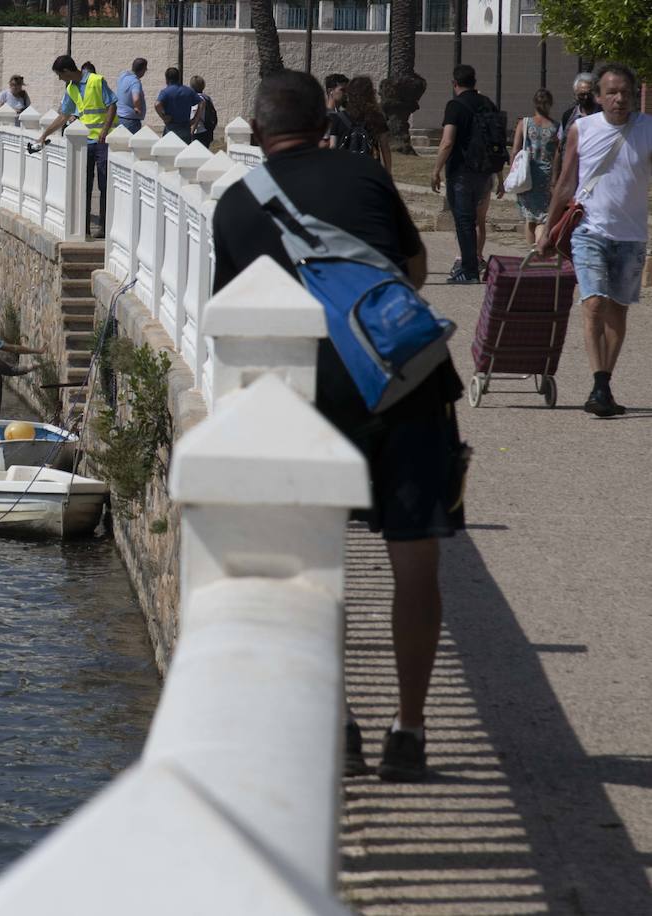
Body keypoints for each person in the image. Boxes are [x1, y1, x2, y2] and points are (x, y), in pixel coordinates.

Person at [211, 70, 467, 783]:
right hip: (407, 381)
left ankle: (342, 726)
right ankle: (409, 732)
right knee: (415, 557)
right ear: (323, 127)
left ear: (257, 134)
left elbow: (228, 325)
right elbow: (414, 270)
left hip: (310, 400)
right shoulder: (363, 174)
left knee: (318, 565)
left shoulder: (236, 205)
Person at [538, 63, 652, 417]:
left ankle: (603, 385)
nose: (619, 99)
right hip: (590, 230)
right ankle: (599, 382)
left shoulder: (648, 129)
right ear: (599, 97)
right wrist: (547, 227)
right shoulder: (582, 129)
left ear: (634, 96)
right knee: (594, 304)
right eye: (612, 92)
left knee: (617, 310)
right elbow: (567, 182)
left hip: (631, 235)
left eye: (625, 93)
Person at [430, 64, 504, 284]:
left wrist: (436, 171)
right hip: (484, 171)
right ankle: (473, 264)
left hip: (461, 171)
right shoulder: (488, 103)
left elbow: (447, 141)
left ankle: (469, 269)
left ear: (454, 83)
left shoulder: (455, 106)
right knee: (475, 219)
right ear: (474, 81)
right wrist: (499, 176)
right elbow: (496, 141)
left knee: (464, 220)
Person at [36, 55, 117, 240]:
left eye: (59, 75)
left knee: (104, 185)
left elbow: (112, 104)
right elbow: (64, 115)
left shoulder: (96, 80)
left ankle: (104, 227)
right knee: (84, 185)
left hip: (103, 141)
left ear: (66, 71)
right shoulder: (71, 88)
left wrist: (104, 130)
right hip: (84, 142)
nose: (59, 79)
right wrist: (45, 134)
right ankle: (84, 229)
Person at [506, 88, 560, 246]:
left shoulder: (524, 123)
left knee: (529, 218)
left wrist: (512, 171)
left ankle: (530, 251)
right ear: (550, 104)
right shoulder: (555, 127)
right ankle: (540, 245)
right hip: (547, 176)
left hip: (527, 174)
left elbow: (515, 149)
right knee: (543, 216)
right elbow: (558, 153)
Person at [337, 75, 393, 172]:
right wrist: (388, 172)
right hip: (370, 167)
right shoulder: (377, 117)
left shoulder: (341, 117)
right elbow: (384, 146)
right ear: (370, 94)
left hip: (345, 168)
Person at [557, 72, 598, 156]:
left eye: (589, 94)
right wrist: (556, 168)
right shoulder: (568, 116)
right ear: (575, 95)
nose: (586, 98)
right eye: (582, 95)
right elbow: (561, 145)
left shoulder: (603, 115)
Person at [155, 66, 200, 143]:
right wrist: (195, 118)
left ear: (167, 79)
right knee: (184, 152)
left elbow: (157, 104)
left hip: (171, 127)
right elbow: (202, 102)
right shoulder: (188, 91)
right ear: (178, 78)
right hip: (185, 127)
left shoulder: (165, 92)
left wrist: (163, 117)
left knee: (168, 151)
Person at [116, 58, 148, 134]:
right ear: (143, 69)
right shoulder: (135, 81)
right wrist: (137, 108)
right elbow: (136, 98)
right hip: (131, 121)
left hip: (119, 118)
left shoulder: (123, 76)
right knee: (131, 144)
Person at [323, 72, 349, 148]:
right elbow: (324, 142)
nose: (346, 94)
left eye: (347, 90)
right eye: (342, 90)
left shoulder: (343, 115)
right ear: (330, 91)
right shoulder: (325, 115)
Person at [190, 75, 215, 149]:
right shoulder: (207, 98)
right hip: (207, 130)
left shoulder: (196, 99)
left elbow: (196, 116)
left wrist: (191, 131)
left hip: (198, 131)